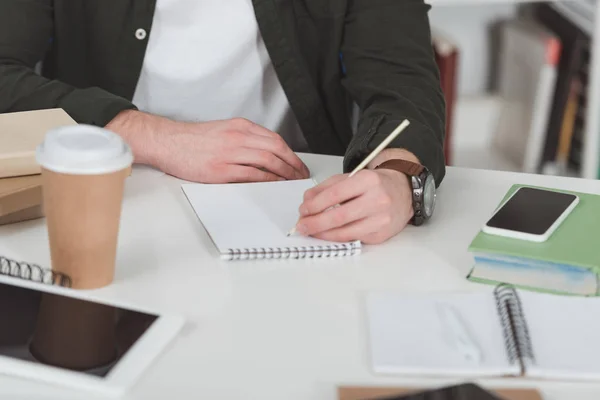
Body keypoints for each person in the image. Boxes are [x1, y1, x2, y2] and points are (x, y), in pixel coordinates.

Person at [0, 0, 446, 244]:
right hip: (106, 195)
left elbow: (402, 80)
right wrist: (149, 134)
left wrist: (400, 178)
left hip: (291, 205)